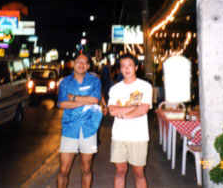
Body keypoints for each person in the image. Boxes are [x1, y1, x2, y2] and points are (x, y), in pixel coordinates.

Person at [56, 53, 102, 188]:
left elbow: (95, 100)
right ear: (73, 63)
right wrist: (85, 101)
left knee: (86, 168)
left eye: (84, 63)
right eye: (78, 62)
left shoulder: (94, 81)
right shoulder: (65, 82)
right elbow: (62, 104)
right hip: (69, 128)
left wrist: (73, 98)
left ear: (88, 66)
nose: (81, 65)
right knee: (64, 169)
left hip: (89, 128)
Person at [108, 53, 153, 188]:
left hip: (138, 136)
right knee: (120, 171)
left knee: (138, 173)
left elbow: (143, 110)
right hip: (119, 136)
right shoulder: (115, 88)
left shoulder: (145, 86)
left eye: (130, 65)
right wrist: (133, 107)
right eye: (123, 66)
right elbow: (112, 111)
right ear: (120, 69)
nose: (126, 69)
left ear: (136, 67)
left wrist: (123, 114)